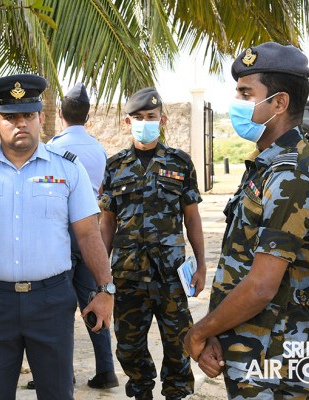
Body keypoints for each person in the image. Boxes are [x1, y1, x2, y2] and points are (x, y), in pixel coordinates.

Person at [183, 42, 309, 399]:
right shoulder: (267, 165)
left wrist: (199, 333)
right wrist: (218, 331)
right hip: (253, 348)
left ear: (279, 103)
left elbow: (261, 286)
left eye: (245, 93)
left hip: (275, 359)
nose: (236, 102)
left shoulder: (292, 175)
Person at [0, 73, 114, 400]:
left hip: (51, 301)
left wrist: (105, 289)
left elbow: (88, 234)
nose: (21, 123)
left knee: (57, 393)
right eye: (10, 117)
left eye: (28, 114)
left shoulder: (67, 169)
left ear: (41, 118)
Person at [99, 87, 206, 400]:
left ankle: (176, 393)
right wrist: (101, 274)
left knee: (178, 342)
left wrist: (201, 265)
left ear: (163, 120)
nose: (144, 122)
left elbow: (192, 218)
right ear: (127, 122)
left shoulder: (180, 163)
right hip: (127, 275)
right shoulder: (115, 166)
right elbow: (107, 223)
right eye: (138, 117)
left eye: (151, 116)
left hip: (171, 274)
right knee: (128, 346)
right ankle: (141, 391)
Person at [46, 83, 118, 390]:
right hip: (90, 233)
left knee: (58, 305)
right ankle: (106, 369)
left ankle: (62, 373)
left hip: (62, 233)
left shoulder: (52, 148)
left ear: (60, 113)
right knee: (93, 300)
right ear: (87, 117)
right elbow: (102, 190)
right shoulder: (98, 149)